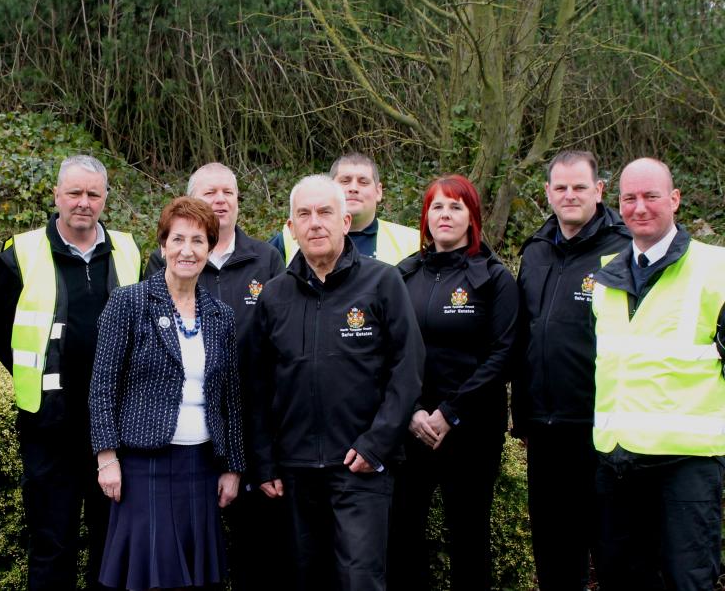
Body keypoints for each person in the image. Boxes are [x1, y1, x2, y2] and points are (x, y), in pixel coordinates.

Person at [250, 174, 424, 591]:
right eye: (304, 215)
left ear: (346, 221)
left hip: (360, 467)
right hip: (293, 472)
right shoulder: (273, 297)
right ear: (289, 229)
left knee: (360, 580)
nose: (315, 223)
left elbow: (408, 369)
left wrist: (376, 444)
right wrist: (265, 462)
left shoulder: (382, 282)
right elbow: (256, 385)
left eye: (326, 212)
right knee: (304, 580)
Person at [0, 155, 141, 590]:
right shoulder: (19, 253)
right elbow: (4, 335)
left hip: (113, 429)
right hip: (48, 427)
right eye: (74, 193)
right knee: (50, 543)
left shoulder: (129, 251)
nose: (83, 202)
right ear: (56, 195)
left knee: (110, 544)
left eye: (93, 194)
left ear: (105, 199)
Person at [89, 197, 245, 591]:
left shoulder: (220, 314)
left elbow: (230, 397)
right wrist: (107, 458)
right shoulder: (129, 302)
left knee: (197, 579)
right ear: (163, 245)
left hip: (202, 466)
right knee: (150, 578)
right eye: (178, 239)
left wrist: (233, 466)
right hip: (144, 467)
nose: (187, 250)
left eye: (198, 240)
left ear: (210, 249)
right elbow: (102, 387)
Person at [143, 162, 284, 590]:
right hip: (192, 429)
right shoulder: (165, 260)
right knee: (190, 551)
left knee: (254, 548)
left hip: (254, 424)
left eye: (229, 192)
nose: (220, 200)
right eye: (210, 192)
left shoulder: (268, 258)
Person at [590, 157, 725, 591]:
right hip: (618, 463)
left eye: (651, 196)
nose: (639, 207)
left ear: (675, 199)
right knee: (621, 578)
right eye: (629, 198)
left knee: (689, 581)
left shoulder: (715, 268)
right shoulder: (608, 275)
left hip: (685, 465)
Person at [388, 175, 518, 590]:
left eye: (456, 207)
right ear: (425, 217)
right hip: (411, 427)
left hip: (472, 429)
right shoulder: (401, 275)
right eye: (437, 207)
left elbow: (503, 355)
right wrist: (411, 412)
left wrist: (449, 413)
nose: (445, 215)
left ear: (472, 217)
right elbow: (385, 350)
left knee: (468, 535)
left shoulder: (494, 279)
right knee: (403, 533)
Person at [511, 151, 630, 589]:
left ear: (599, 191)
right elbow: (524, 333)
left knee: (612, 549)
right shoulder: (537, 250)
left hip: (601, 428)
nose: (569, 195)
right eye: (560, 188)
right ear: (546, 193)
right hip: (544, 429)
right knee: (555, 552)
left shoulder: (624, 248)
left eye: (580, 187)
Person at [269, 153, 419, 265]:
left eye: (363, 182)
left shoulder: (412, 242)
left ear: (379, 191)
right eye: (345, 181)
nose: (353, 188)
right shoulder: (288, 238)